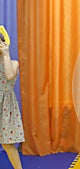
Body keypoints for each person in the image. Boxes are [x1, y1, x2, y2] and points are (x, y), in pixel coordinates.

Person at [0, 34, 24, 169]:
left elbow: (9, 75)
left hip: (5, 106)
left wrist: (6, 54)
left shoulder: (13, 63)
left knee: (7, 144)